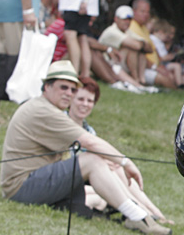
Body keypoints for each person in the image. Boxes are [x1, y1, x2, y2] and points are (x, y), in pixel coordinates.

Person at [0, 61, 171, 235]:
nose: (69, 94)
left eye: (73, 90)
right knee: (93, 160)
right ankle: (138, 217)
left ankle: (144, 213)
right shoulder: (43, 110)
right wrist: (126, 162)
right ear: (47, 87)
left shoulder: (44, 108)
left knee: (100, 178)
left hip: (32, 182)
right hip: (21, 187)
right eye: (63, 87)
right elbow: (90, 143)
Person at [67, 76, 173, 224]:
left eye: (90, 101)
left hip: (92, 176)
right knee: (116, 169)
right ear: (71, 99)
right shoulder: (63, 124)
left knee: (119, 170)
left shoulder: (89, 130)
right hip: (75, 179)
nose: (85, 104)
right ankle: (145, 213)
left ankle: (155, 213)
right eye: (81, 99)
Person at [92, 4, 151, 92]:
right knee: (132, 49)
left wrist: (141, 45)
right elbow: (137, 46)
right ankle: (136, 82)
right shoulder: (112, 31)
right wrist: (141, 44)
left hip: (118, 63)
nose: (127, 22)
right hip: (108, 64)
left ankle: (140, 81)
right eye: (124, 19)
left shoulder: (127, 31)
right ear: (116, 19)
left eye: (129, 19)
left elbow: (149, 48)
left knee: (141, 52)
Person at [125, 0, 177, 89]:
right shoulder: (132, 26)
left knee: (172, 74)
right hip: (142, 68)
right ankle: (177, 93)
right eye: (142, 11)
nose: (146, 15)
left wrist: (160, 64)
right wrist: (155, 67)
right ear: (134, 11)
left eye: (147, 12)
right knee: (164, 79)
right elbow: (140, 51)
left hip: (154, 66)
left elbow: (153, 49)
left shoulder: (144, 28)